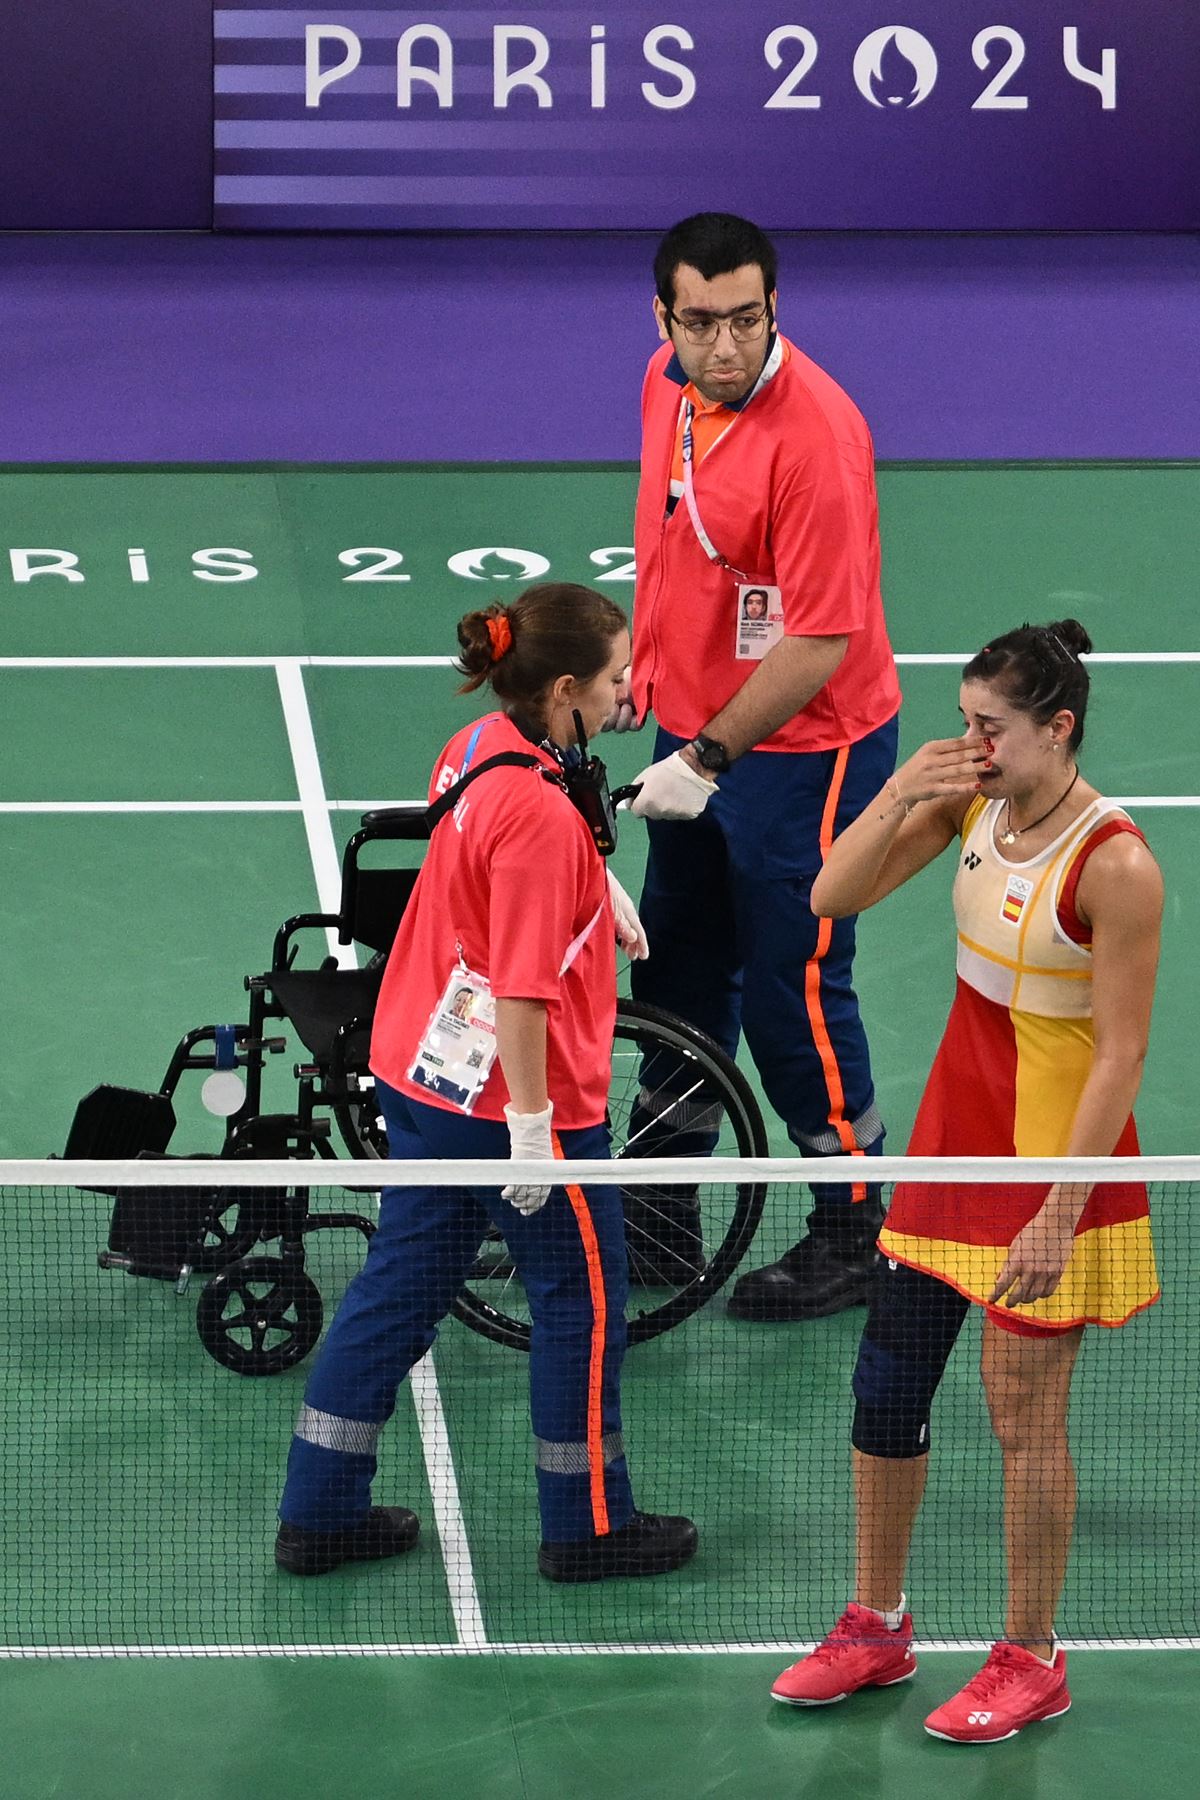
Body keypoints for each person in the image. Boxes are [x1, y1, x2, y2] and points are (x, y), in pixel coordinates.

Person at [771, 620, 1162, 1742]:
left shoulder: (1117, 863)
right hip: (951, 1156)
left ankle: (1032, 1656)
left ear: (1059, 728)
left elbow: (1122, 1057)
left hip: (1052, 1173)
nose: (972, 743)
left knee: (1020, 1419)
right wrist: (901, 789)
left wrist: (1059, 1209)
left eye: (990, 728)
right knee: (885, 1394)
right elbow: (830, 897)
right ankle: (876, 1625)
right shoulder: (968, 805)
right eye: (963, 722)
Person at [275, 583, 698, 1585]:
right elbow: (520, 987)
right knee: (581, 1303)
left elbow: (506, 853)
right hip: (511, 1103)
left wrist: (599, 889)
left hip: (418, 1071)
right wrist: (532, 1134)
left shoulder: (476, 749)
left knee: (403, 1287)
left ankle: (318, 1510)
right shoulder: (541, 821)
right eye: (612, 676)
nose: (627, 687)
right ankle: (589, 1525)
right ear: (564, 689)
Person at [614, 210, 903, 1318]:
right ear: (664, 317)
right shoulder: (665, 385)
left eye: (745, 321)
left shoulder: (818, 437)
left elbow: (821, 638)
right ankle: (660, 1207)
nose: (723, 347)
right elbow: (666, 526)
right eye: (701, 323)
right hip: (693, 728)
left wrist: (710, 753)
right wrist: (648, 656)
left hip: (801, 751)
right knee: (679, 964)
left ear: (775, 308)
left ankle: (853, 1226)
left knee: (794, 983)